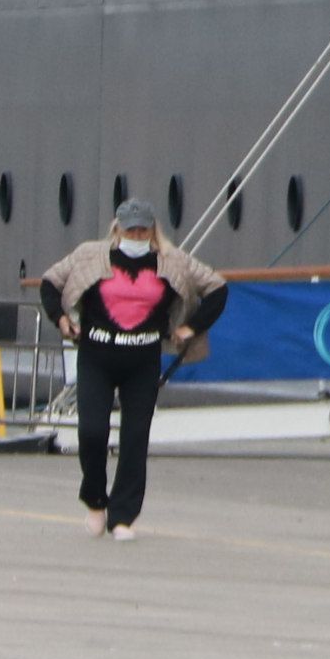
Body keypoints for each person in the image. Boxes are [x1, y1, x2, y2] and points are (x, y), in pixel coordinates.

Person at [37, 201, 227, 539]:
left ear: (153, 231)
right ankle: (96, 500)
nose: (136, 235)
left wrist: (191, 328)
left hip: (143, 356)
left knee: (135, 438)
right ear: (117, 229)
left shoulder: (172, 261)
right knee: (92, 431)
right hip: (97, 353)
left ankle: (123, 516)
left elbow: (217, 288)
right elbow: (50, 283)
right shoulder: (90, 255)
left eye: (143, 230)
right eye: (131, 230)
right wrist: (61, 319)